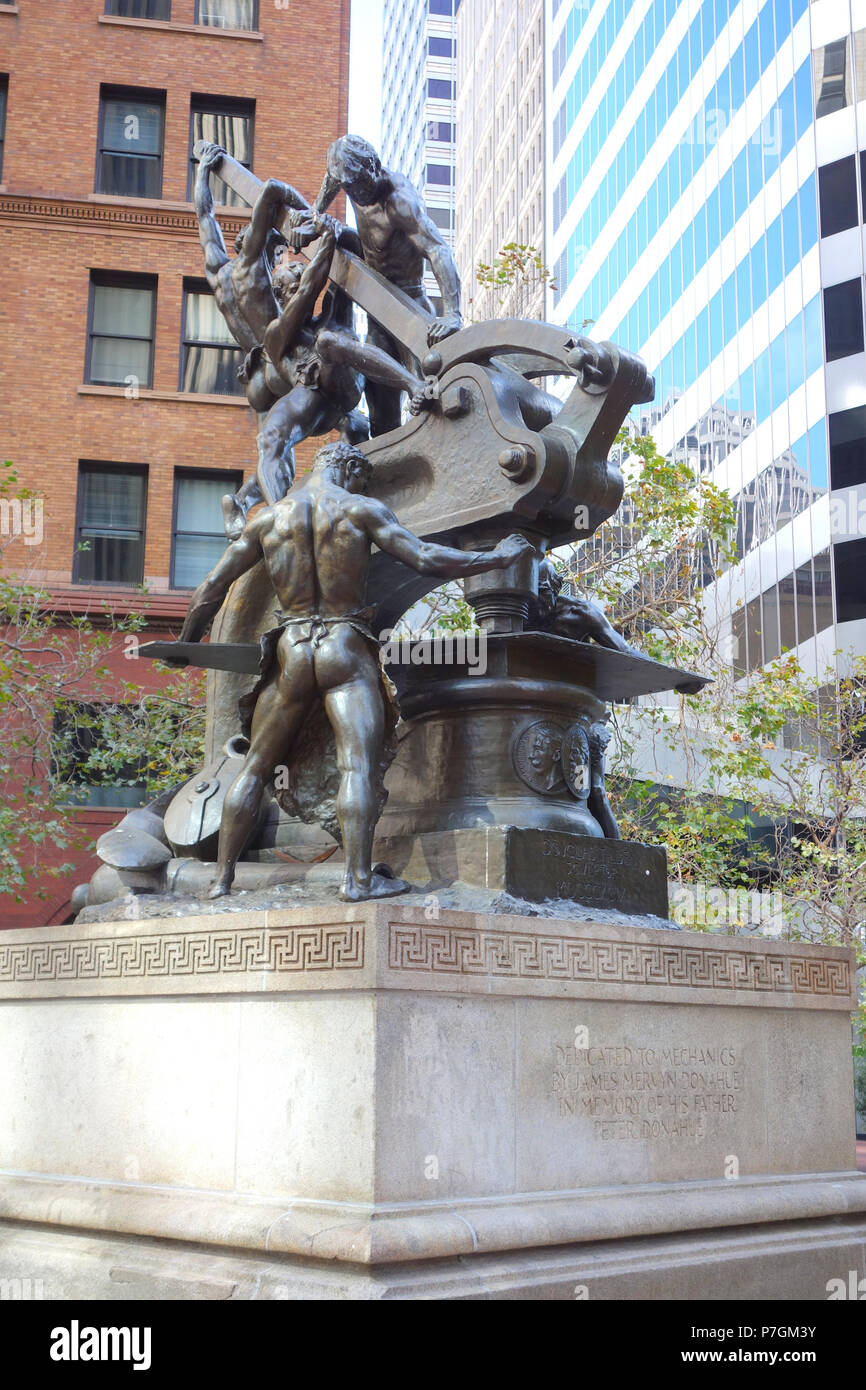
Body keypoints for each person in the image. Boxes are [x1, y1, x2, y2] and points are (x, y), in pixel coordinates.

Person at [175, 441, 535, 901]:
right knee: (357, 766)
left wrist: (185, 644)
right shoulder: (361, 509)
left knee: (256, 767)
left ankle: (221, 881)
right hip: (343, 645)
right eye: (360, 479)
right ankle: (357, 880)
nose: (359, 486)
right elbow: (424, 558)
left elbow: (212, 587)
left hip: (292, 648)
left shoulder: (267, 518)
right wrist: (497, 558)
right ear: (348, 469)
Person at [309, 135, 463, 435]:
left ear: (373, 167)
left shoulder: (399, 202)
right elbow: (331, 183)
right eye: (348, 187)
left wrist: (453, 314)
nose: (354, 192)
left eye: (358, 184)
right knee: (381, 414)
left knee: (429, 403)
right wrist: (315, 212)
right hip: (377, 313)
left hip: (410, 310)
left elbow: (437, 250)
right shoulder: (349, 179)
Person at [533, 557, 640, 654]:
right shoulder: (520, 611)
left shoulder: (583, 612)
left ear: (556, 588)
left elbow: (626, 652)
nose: (536, 600)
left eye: (542, 591)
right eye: (530, 593)